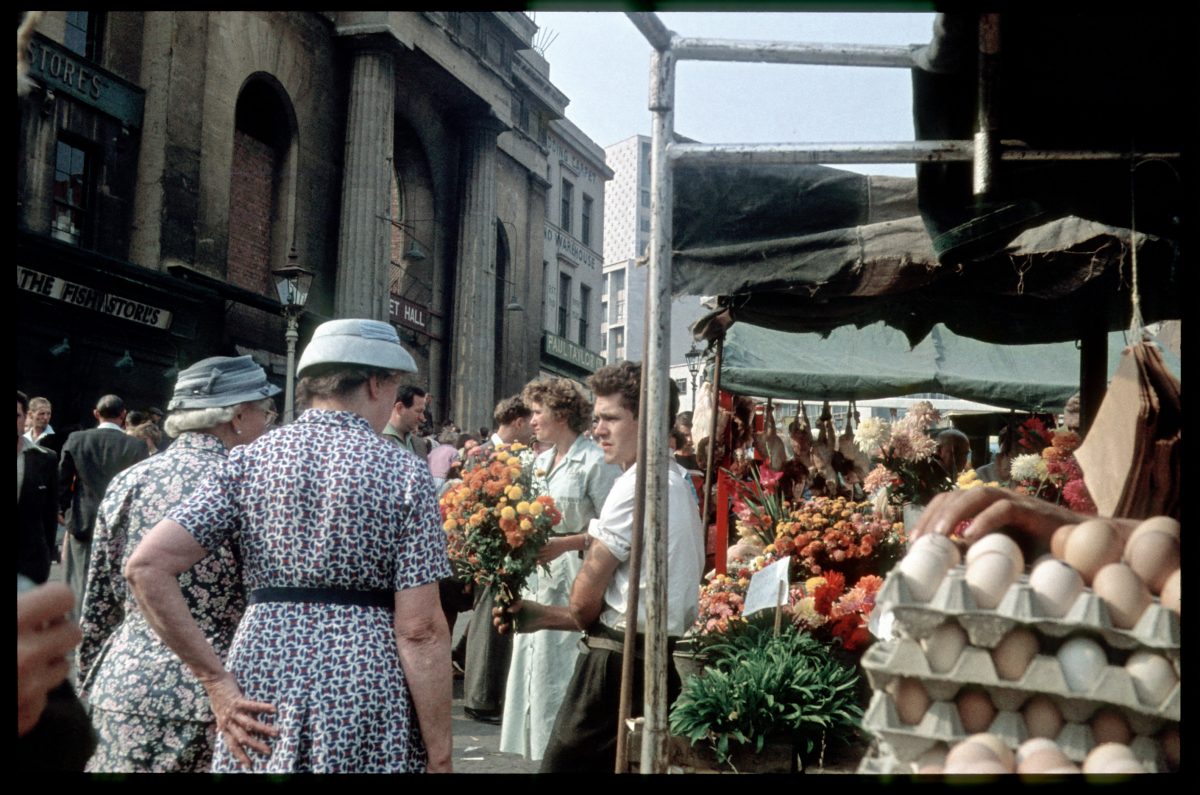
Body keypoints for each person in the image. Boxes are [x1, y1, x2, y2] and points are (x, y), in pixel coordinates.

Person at [125, 319, 453, 773]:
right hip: (362, 680)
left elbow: (146, 566)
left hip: (262, 671)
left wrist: (216, 681)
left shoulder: (248, 460)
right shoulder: (405, 473)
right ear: (375, 383)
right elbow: (420, 630)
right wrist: (440, 754)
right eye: (396, 386)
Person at [496, 361, 704, 773]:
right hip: (646, 661)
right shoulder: (675, 478)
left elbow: (585, 604)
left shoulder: (637, 485)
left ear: (648, 422)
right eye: (596, 419)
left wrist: (550, 613)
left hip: (614, 673)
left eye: (610, 418)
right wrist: (541, 617)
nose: (598, 430)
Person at [78, 356, 280, 772]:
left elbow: (97, 604)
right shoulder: (252, 485)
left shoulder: (129, 481)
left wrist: (89, 684)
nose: (269, 424)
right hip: (223, 700)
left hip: (124, 690)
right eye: (266, 412)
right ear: (237, 417)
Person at [499, 378, 620, 761]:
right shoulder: (537, 461)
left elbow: (612, 531)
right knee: (537, 665)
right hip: (537, 573)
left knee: (564, 666)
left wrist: (564, 544)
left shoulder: (594, 461)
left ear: (562, 414)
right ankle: (541, 755)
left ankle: (565, 754)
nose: (532, 420)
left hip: (577, 574)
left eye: (538, 412)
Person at [461, 396, 535, 724]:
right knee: (487, 619)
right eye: (528, 422)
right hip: (487, 545)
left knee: (498, 618)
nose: (532, 429)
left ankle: (489, 693)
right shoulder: (479, 454)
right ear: (516, 421)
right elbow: (468, 502)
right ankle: (480, 698)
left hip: (507, 543)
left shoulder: (518, 454)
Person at [58, 394, 149, 623]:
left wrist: (67, 512)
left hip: (83, 521)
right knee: (115, 581)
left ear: (96, 414)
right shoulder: (136, 446)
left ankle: (79, 630)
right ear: (123, 415)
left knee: (79, 580)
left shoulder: (76, 440)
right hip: (121, 524)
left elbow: (61, 482)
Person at [18, 391, 60, 584]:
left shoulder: (46, 457)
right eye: (41, 414)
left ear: (24, 417)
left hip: (29, 560)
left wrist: (46, 557)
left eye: (16, 415)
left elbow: (49, 515)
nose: (45, 418)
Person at [383, 384, 430, 459]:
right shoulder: (376, 442)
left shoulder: (420, 444)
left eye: (423, 412)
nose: (422, 418)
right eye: (418, 411)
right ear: (400, 408)